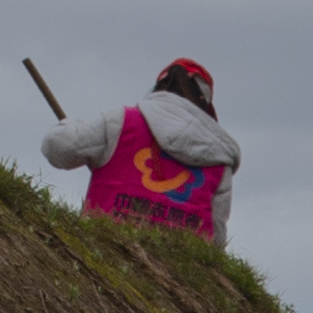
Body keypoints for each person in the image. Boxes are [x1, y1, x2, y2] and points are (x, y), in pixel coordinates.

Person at [41, 62, 241, 242]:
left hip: (104, 252)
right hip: (177, 276)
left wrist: (70, 125)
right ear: (205, 107)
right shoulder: (219, 160)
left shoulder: (121, 122)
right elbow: (216, 241)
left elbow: (59, 148)